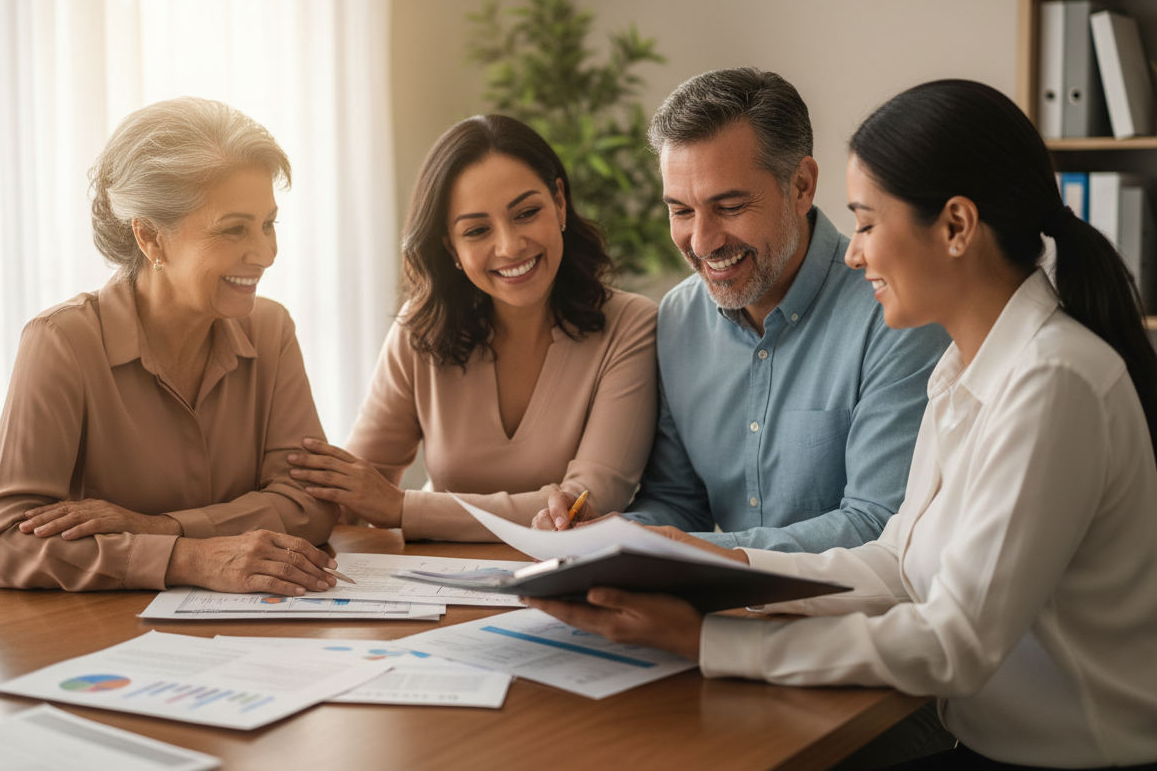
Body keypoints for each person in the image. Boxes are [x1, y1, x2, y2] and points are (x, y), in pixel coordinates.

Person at [527, 79, 1157, 769]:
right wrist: (714, 561)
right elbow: (900, 565)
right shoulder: (965, 369)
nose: (854, 254)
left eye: (864, 222)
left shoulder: (1052, 381)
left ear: (955, 227)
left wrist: (711, 641)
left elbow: (956, 644)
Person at [536, 67, 949, 553]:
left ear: (801, 186)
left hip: (850, 620)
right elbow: (679, 504)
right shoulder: (678, 318)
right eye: (681, 211)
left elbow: (877, 524)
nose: (703, 242)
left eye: (729, 206)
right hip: (716, 614)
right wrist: (603, 534)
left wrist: (696, 552)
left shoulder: (895, 313)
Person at [0, 97, 343, 596]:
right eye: (234, 228)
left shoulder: (270, 329)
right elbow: (0, 544)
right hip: (59, 642)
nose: (266, 253)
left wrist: (161, 527)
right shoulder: (62, 341)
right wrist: (188, 557)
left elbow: (310, 504)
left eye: (268, 224)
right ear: (150, 238)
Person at [285, 114, 658, 542]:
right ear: (451, 248)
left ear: (558, 202)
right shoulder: (419, 331)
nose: (509, 245)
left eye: (526, 213)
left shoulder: (631, 326)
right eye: (477, 230)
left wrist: (404, 508)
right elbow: (354, 492)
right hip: (435, 584)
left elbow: (583, 505)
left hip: (571, 586)